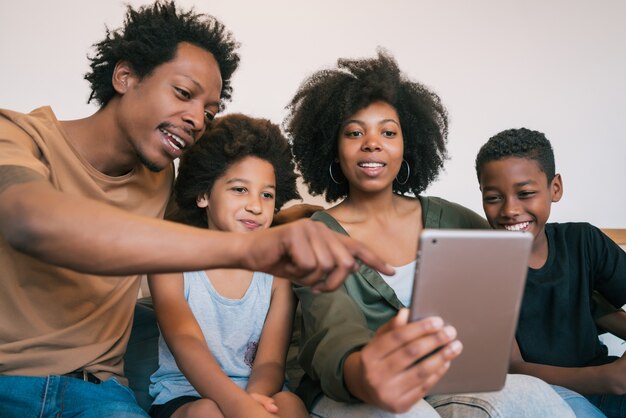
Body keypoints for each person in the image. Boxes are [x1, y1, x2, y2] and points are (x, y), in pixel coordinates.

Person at [0, 2, 392, 417]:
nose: (196, 120)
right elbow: (33, 222)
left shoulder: (159, 176)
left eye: (209, 111)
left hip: (98, 391)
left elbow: (228, 209)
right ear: (125, 76)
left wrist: (301, 221)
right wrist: (249, 250)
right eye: (183, 93)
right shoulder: (17, 136)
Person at [283, 50, 575, 417]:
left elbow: (522, 270)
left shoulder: (449, 218)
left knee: (531, 393)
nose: (372, 143)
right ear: (332, 147)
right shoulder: (316, 237)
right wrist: (368, 374)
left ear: (408, 144)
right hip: (353, 392)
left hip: (446, 382)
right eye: (354, 132)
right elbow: (331, 334)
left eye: (388, 132)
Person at [148, 114, 309, 418]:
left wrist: (254, 399)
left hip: (259, 393)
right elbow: (187, 343)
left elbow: (271, 362)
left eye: (267, 194)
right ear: (203, 194)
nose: (256, 206)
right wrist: (239, 407)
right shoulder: (170, 262)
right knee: (208, 412)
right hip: (187, 394)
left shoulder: (278, 273)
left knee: (291, 405)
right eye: (239, 189)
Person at [475, 127, 626, 418]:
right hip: (546, 395)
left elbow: (602, 310)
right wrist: (609, 377)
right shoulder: (482, 270)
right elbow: (512, 367)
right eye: (493, 197)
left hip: (607, 385)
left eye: (526, 193)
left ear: (554, 188)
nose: (510, 209)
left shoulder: (583, 241)